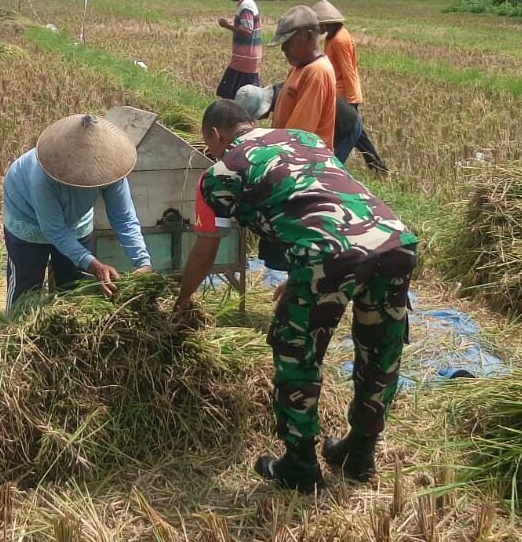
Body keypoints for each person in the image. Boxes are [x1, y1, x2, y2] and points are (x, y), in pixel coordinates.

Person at [174, 101, 419, 493]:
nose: (212, 153)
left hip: (328, 254)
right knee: (380, 350)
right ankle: (360, 453)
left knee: (297, 352)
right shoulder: (301, 137)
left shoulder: (220, 173)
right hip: (393, 241)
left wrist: (181, 302)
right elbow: (316, 199)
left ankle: (300, 465)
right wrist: (301, 274)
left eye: (210, 145)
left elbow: (206, 249)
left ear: (216, 134)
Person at [2, 114, 153, 313]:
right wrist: (94, 264)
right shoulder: (42, 176)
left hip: (76, 220)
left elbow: (124, 218)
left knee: (74, 290)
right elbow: (54, 230)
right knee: (26, 289)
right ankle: (16, 334)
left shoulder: (111, 169)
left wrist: (142, 261)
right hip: (28, 218)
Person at [312, 0, 388, 173]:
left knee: (352, 132)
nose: (319, 29)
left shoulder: (339, 40)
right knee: (358, 134)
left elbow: (348, 72)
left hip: (345, 95)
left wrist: (350, 100)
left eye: (321, 24)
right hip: (339, 94)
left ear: (327, 23)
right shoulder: (333, 37)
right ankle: (377, 166)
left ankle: (372, 166)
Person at [235, 83, 364, 165]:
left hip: (346, 126)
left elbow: (296, 140)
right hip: (341, 119)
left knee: (330, 170)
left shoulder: (287, 102)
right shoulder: (280, 95)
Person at [269, 5, 336, 151]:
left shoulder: (317, 72)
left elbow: (298, 136)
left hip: (305, 162)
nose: (283, 49)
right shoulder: (299, 68)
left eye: (289, 42)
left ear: (309, 36)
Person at [215, 0, 263, 100]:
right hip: (247, 59)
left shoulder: (246, 6)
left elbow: (247, 31)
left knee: (231, 97)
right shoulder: (248, 3)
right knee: (243, 98)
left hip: (244, 60)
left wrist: (227, 25)